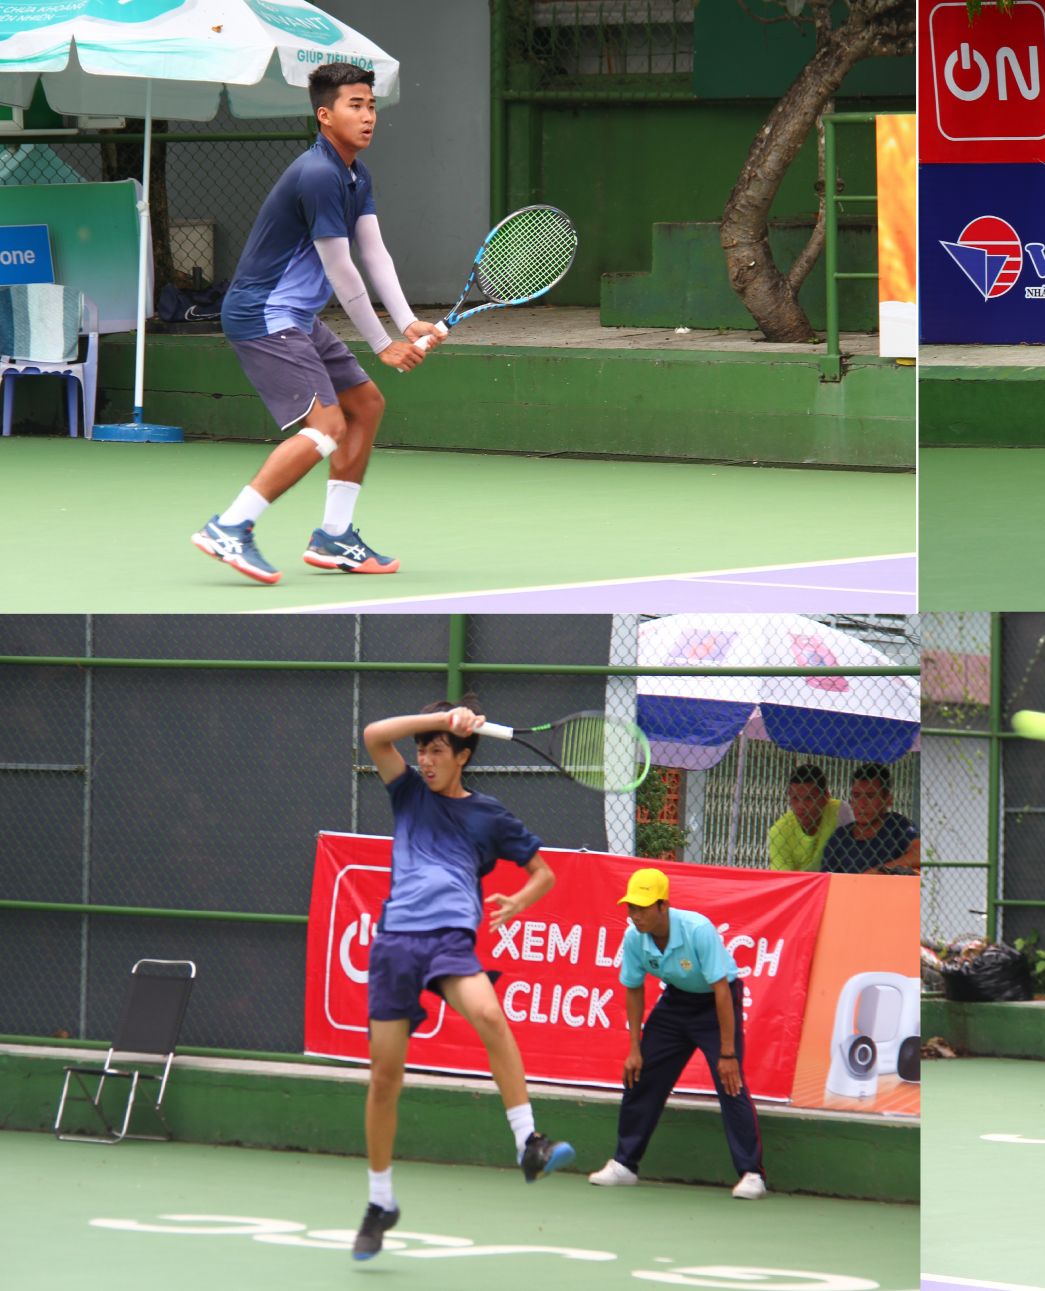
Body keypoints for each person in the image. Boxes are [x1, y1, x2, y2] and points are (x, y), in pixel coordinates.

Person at [194, 62, 443, 586]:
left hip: (296, 317)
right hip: (264, 314)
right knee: (327, 427)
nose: (368, 116)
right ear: (325, 115)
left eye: (371, 105)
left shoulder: (355, 174)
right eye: (355, 106)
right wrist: (382, 343)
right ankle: (230, 526)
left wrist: (407, 323)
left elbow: (373, 252)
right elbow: (340, 267)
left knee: (365, 405)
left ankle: (334, 537)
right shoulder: (317, 174)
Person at [354, 697, 574, 1260]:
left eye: (437, 751)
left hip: (449, 939)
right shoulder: (407, 792)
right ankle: (380, 1201)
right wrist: (440, 720)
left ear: (463, 757)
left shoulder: (489, 815)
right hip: (396, 943)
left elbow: (543, 873)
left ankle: (528, 1142)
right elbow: (375, 732)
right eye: (422, 751)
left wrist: (518, 901)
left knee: (489, 1014)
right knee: (385, 1079)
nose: (425, 760)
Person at [588, 868, 767, 1200]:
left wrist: (727, 1053)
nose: (636, 915)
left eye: (643, 908)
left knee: (730, 1082)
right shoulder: (634, 937)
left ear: (663, 906)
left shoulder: (697, 930)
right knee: (641, 1074)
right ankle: (625, 1164)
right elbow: (634, 989)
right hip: (675, 1003)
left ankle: (752, 1173)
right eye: (631, 907)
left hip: (716, 1003)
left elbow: (722, 990)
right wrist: (634, 1048)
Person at [820, 763, 920, 875]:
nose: (862, 804)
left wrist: (880, 871)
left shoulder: (899, 825)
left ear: (888, 800)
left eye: (870, 796)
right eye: (856, 795)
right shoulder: (840, 837)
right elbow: (827, 878)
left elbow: (919, 854)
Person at [767, 764, 851, 872]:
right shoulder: (779, 832)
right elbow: (784, 879)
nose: (801, 806)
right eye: (795, 798)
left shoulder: (840, 812)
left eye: (809, 798)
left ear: (826, 796)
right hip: (801, 883)